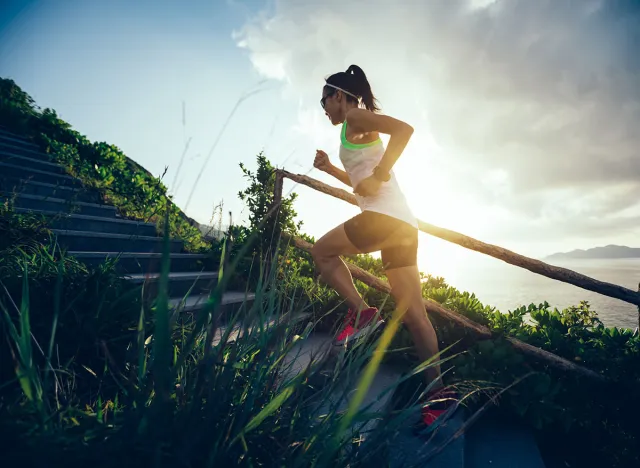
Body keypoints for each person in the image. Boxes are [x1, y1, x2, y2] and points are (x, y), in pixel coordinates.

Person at [312, 64, 455, 427]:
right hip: (402, 225)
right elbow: (362, 186)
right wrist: (332, 170)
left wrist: (379, 174)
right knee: (415, 315)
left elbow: (404, 131)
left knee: (322, 252)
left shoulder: (357, 116)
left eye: (324, 99)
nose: (323, 107)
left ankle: (362, 312)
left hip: (384, 221)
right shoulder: (352, 129)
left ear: (339, 96)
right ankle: (437, 395)